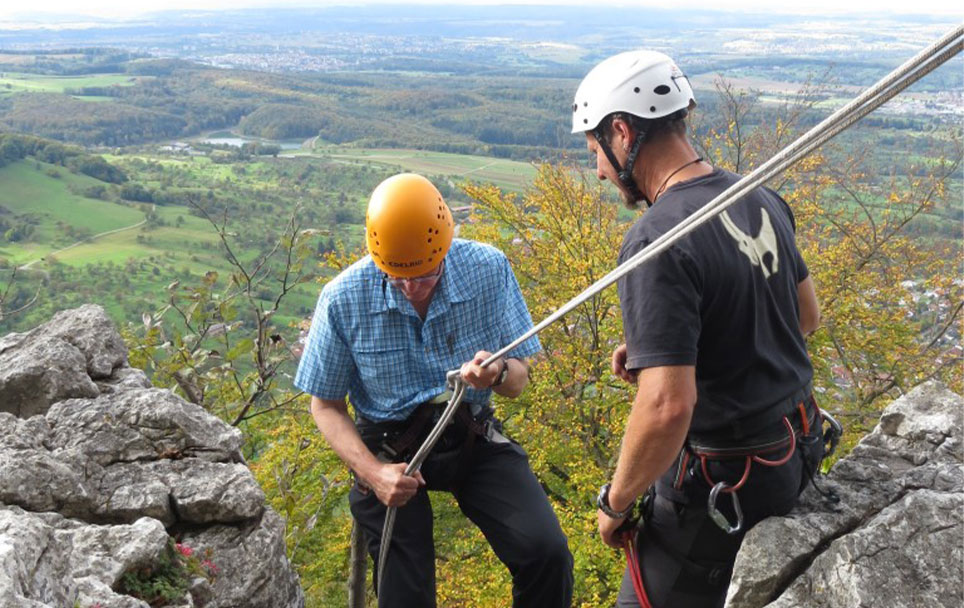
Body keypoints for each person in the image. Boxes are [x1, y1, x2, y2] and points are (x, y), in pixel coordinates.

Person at [571, 51, 827, 607]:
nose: (597, 170)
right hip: (796, 449)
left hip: (725, 486)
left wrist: (615, 503)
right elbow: (805, 316)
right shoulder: (758, 194)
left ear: (621, 132)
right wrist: (670, 342)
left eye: (594, 152)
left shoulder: (654, 239)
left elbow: (667, 407)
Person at [294, 173, 573, 608]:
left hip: (469, 432)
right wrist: (373, 474)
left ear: (444, 248)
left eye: (424, 275)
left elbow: (519, 379)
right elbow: (326, 406)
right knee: (407, 590)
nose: (411, 290)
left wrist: (497, 373)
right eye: (397, 278)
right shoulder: (343, 299)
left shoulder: (488, 269)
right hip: (388, 448)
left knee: (546, 553)